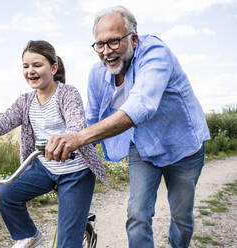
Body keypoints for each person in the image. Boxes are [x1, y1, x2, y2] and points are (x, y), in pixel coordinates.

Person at [45, 6, 210, 248]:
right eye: (99, 44)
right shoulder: (97, 74)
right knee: (137, 215)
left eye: (113, 42)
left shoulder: (155, 53)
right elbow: (90, 120)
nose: (106, 51)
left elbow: (142, 104)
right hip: (143, 148)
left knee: (181, 218)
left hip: (183, 147)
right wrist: (67, 142)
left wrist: (78, 139)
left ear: (133, 39)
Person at [0, 40, 106, 248]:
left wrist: (67, 142)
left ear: (53, 68)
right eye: (26, 66)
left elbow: (76, 123)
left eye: (37, 65)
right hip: (43, 166)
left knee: (67, 243)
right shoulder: (26, 101)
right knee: (6, 194)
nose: (30, 71)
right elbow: (3, 121)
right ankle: (28, 234)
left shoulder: (68, 94)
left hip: (75, 171)